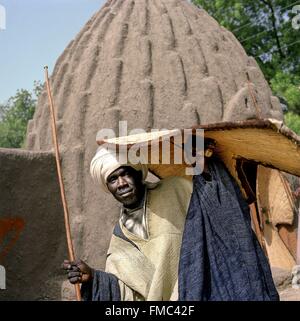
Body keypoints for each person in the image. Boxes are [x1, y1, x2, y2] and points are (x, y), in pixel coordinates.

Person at [63, 146, 193, 301]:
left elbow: (213, 219)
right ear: (108, 187)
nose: (121, 183)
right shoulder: (119, 240)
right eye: (113, 179)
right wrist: (94, 278)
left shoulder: (176, 190)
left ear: (138, 173)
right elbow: (131, 294)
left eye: (125, 174)